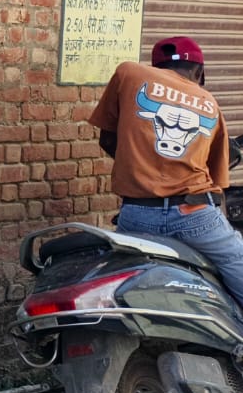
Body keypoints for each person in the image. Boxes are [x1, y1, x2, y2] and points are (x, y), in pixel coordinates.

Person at [89, 35, 243, 302]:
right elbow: (217, 177)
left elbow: (108, 139)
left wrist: (139, 163)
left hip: (136, 215)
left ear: (157, 66)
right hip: (193, 216)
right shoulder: (209, 103)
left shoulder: (129, 74)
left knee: (116, 280)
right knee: (235, 260)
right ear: (199, 72)